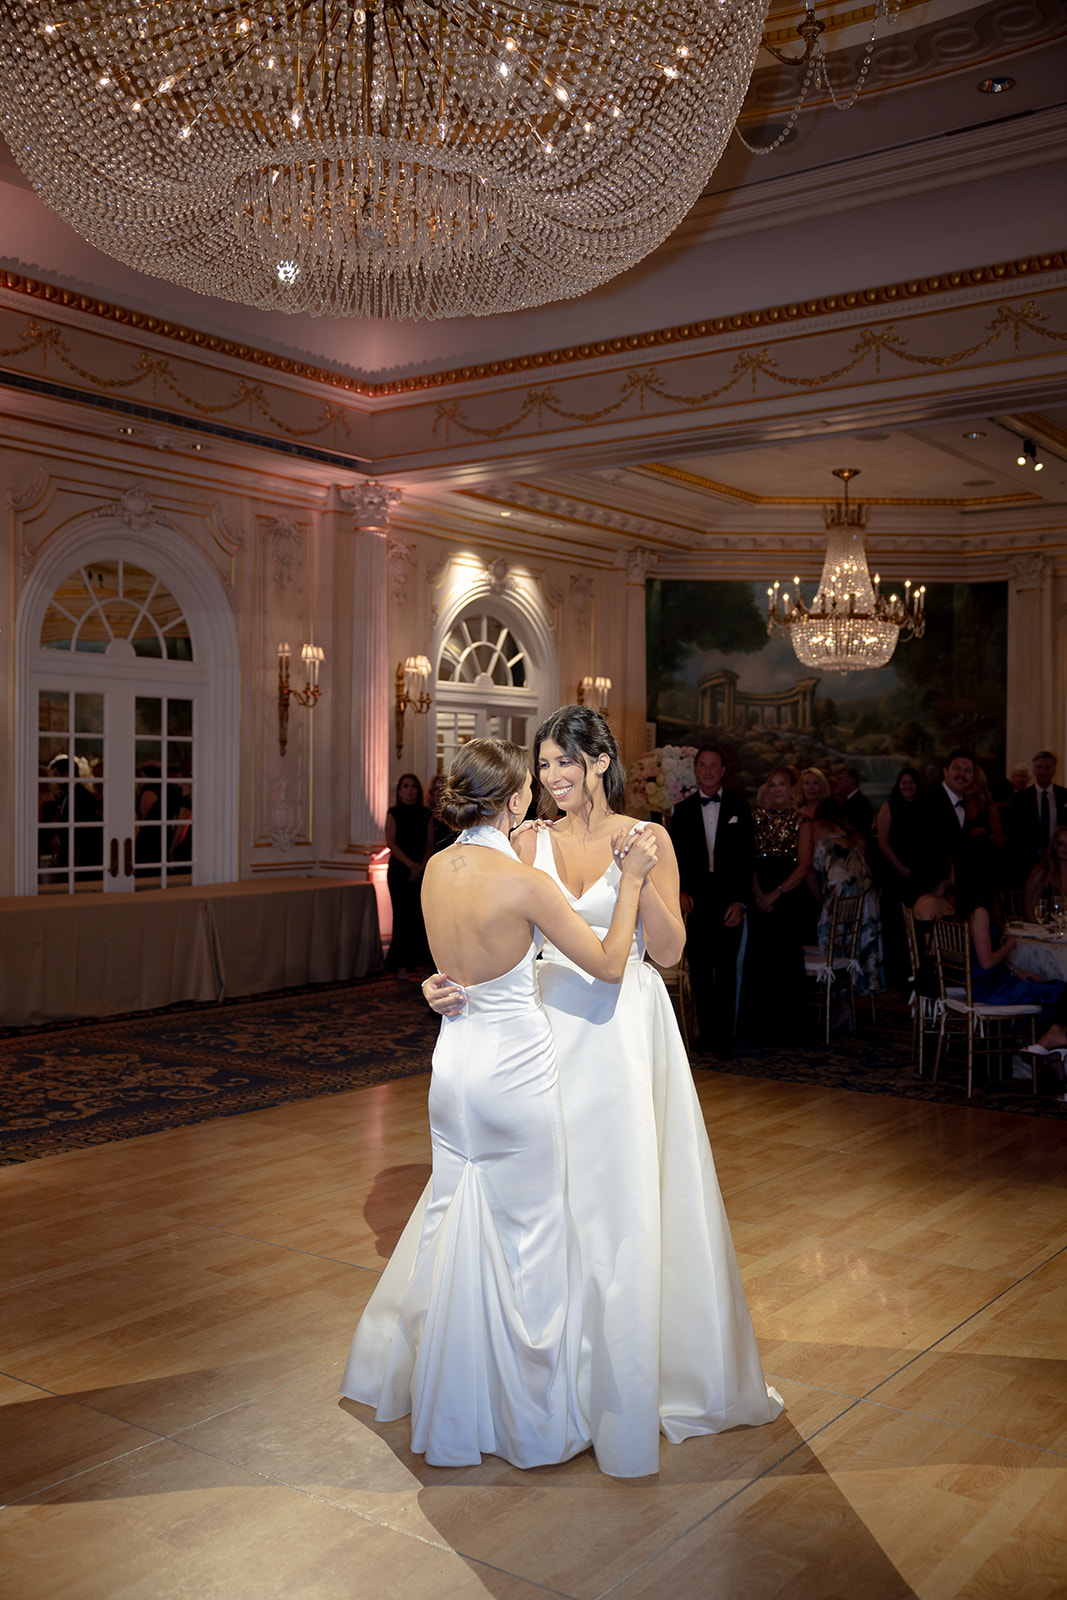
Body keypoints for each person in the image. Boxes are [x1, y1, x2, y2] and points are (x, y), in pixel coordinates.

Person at [426, 706, 785, 1477]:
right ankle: (546, 1382)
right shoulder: (524, 840)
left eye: (565, 763)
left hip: (622, 1033)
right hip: (543, 1030)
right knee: (551, 1204)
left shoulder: (646, 835)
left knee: (619, 1202)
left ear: (599, 762)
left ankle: (622, 1377)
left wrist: (641, 876)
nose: (552, 779)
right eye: (543, 765)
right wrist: (446, 988)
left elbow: (671, 949)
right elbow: (488, 938)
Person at [340, 737, 659, 1470]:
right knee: (532, 1242)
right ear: (514, 799)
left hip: (451, 1068)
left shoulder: (435, 872)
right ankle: (534, 1422)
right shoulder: (520, 880)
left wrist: (428, 989)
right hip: (515, 1076)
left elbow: (446, 969)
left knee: (453, 1226)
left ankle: (452, 1397)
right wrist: (633, 880)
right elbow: (610, 966)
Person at [669, 743, 754, 1060]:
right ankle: (704, 1034)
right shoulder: (683, 809)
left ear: (722, 770)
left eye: (713, 765)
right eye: (702, 765)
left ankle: (724, 1038)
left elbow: (747, 860)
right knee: (701, 970)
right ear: (696, 770)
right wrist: (679, 891)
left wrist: (741, 902)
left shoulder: (740, 808)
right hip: (695, 901)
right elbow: (673, 858)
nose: (707, 770)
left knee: (727, 969)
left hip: (729, 900)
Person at [739, 766, 809, 1040]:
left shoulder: (803, 822)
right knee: (759, 957)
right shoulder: (754, 818)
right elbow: (748, 860)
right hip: (758, 895)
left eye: (782, 784)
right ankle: (757, 1028)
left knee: (787, 958)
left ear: (792, 789)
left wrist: (775, 894)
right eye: (772, 784)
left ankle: (789, 1029)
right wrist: (758, 894)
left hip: (788, 899)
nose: (777, 789)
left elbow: (803, 868)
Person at [809, 797, 882, 997]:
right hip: (866, 901)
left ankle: (837, 1000)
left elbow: (808, 870)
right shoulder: (853, 834)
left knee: (831, 945)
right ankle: (850, 997)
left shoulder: (814, 829)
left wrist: (818, 899)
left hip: (839, 900)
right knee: (853, 947)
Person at [876, 767, 923, 984]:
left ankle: (917, 970)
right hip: (895, 874)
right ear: (898, 785)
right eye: (903, 783)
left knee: (918, 923)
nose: (907, 786)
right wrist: (901, 868)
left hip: (919, 873)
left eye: (911, 782)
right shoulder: (888, 807)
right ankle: (896, 974)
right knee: (895, 925)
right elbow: (882, 842)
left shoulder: (925, 806)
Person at [384, 772, 431, 977]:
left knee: (420, 918)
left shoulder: (426, 813)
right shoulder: (393, 812)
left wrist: (420, 867)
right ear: (399, 791)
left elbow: (430, 843)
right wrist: (411, 865)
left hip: (422, 869)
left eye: (413, 786)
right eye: (405, 786)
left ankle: (422, 963)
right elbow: (391, 843)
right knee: (402, 917)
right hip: (400, 870)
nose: (410, 789)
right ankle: (400, 964)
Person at [1008, 751, 1067, 887]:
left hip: (1060, 860)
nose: (1043, 771)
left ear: (1054, 770)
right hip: (1028, 860)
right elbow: (1014, 832)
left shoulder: (1064, 795)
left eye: (1047, 767)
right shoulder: (1020, 798)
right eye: (1039, 767)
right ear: (1034, 770)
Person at [918, 748, 978, 871]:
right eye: (957, 768)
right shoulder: (927, 802)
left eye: (968, 770)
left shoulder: (963, 803)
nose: (962, 774)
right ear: (945, 771)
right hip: (932, 882)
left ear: (973, 777)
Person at [1024, 825, 1067, 923]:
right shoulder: (1042, 873)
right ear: (1054, 846)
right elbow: (1029, 911)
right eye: (1061, 844)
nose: (1065, 849)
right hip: (1045, 933)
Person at [833, 765, 874, 840]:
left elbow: (860, 830)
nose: (837, 782)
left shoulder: (861, 804)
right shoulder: (847, 801)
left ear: (852, 781)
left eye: (840, 779)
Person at [425, 771, 455, 856]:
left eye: (443, 788)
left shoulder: (455, 815)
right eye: (436, 789)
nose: (439, 792)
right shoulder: (426, 815)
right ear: (431, 792)